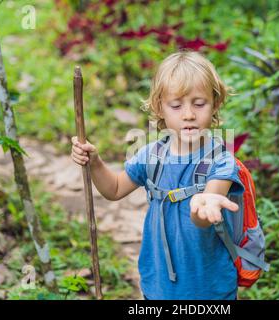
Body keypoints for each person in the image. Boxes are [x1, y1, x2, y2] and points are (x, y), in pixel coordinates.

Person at [71, 50, 244, 300]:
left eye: (199, 103)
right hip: (159, 285)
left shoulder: (221, 161)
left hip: (209, 287)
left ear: (215, 103)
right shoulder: (151, 156)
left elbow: (205, 217)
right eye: (176, 105)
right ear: (159, 107)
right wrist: (95, 162)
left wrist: (202, 206)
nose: (188, 114)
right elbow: (115, 190)